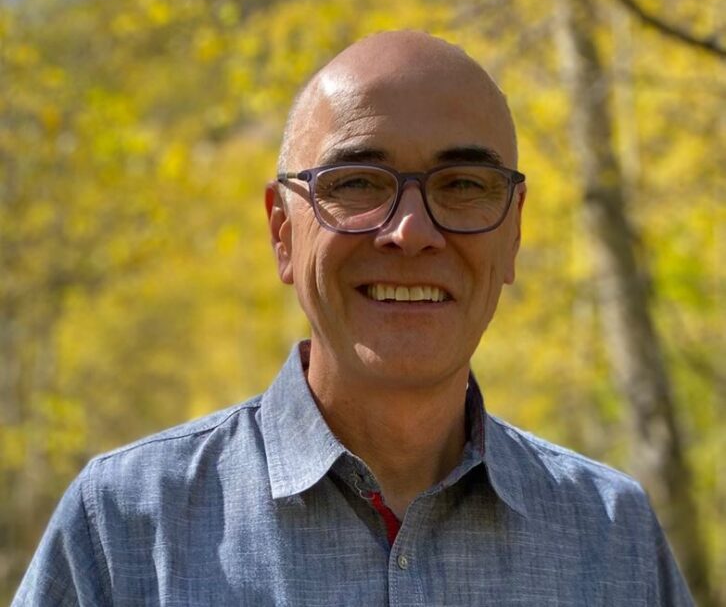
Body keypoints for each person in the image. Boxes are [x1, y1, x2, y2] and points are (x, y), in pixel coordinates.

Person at [13, 30, 693, 606]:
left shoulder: (612, 537)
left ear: (512, 236)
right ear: (282, 232)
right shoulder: (126, 527)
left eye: (461, 186)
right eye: (358, 182)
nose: (410, 231)